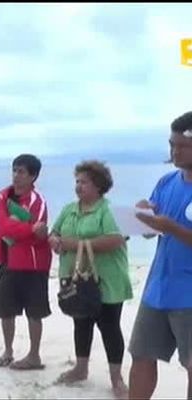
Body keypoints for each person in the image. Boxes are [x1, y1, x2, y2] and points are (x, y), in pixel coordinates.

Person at [49, 161, 131, 398]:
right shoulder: (69, 209)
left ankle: (117, 379)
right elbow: (55, 232)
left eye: (83, 182)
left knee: (109, 327)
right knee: (80, 322)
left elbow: (115, 239)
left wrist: (76, 244)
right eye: (77, 181)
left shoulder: (108, 210)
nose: (78, 186)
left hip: (107, 279)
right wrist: (54, 240)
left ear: (98, 186)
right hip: (74, 277)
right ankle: (80, 368)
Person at [128, 111, 192, 400]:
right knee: (141, 355)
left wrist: (173, 228)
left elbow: (172, 230)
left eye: (182, 145)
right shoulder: (166, 182)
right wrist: (144, 217)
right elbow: (150, 233)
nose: (175, 151)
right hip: (158, 288)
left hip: (189, 294)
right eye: (172, 144)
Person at [0, 154, 51, 370]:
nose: (16, 176)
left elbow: (39, 231)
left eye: (22, 172)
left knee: (35, 311)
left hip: (33, 263)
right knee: (6, 308)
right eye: (14, 170)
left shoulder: (38, 201)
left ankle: (34, 355)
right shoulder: (2, 197)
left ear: (33, 176)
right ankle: (8, 351)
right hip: (8, 260)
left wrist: (25, 229)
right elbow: (3, 227)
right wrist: (29, 228)